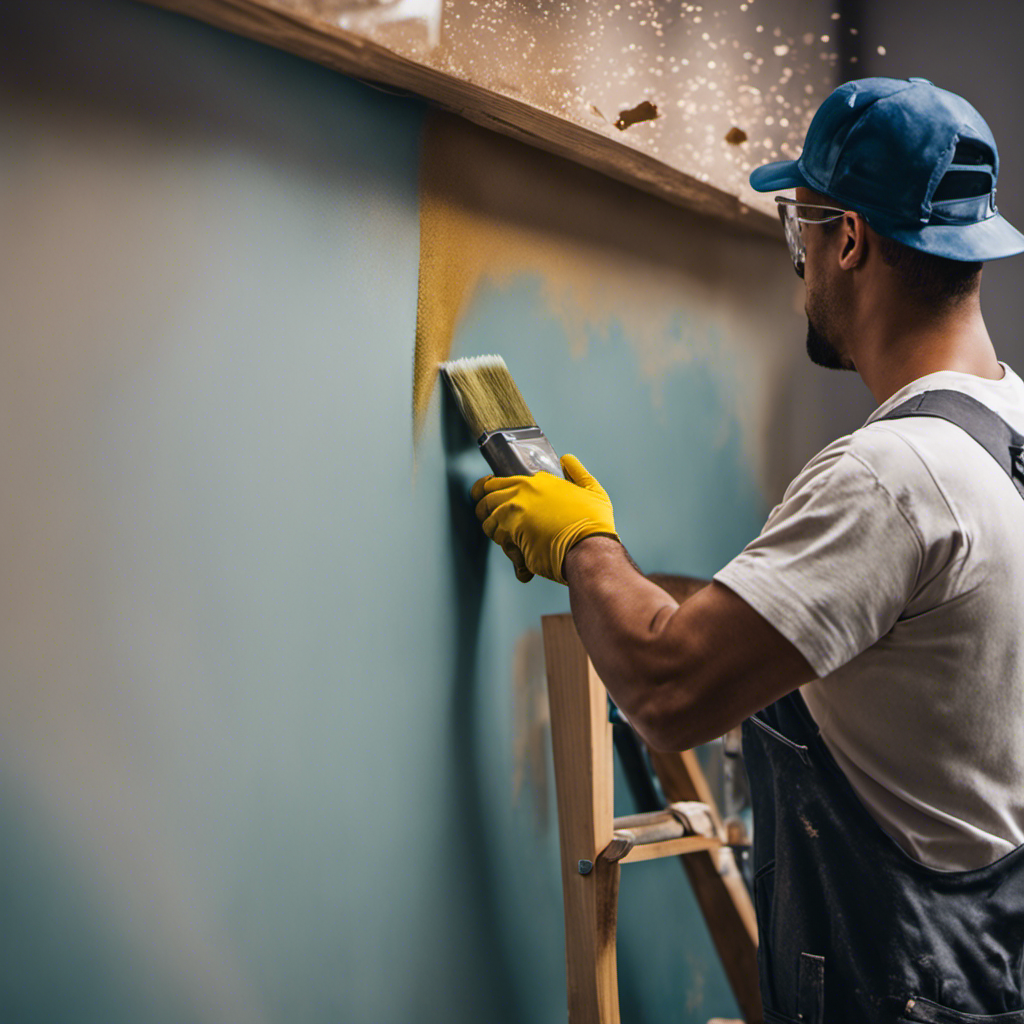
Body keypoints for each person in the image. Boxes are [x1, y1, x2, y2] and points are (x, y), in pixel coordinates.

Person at [471, 77, 1024, 1023]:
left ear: (846, 239)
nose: (798, 262)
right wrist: (646, 582)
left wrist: (581, 543)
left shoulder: (892, 475)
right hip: (989, 957)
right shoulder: (1003, 431)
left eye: (798, 226)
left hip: (905, 986)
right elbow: (882, 637)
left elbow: (666, 691)